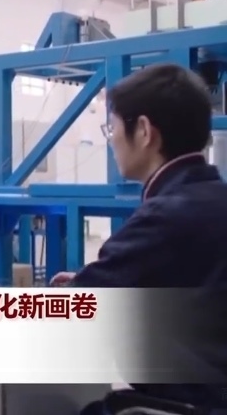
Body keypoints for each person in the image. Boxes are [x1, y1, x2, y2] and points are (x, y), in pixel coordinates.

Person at [49, 64, 227, 412]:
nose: (111, 140)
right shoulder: (214, 199)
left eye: (112, 128)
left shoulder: (163, 216)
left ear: (144, 131)